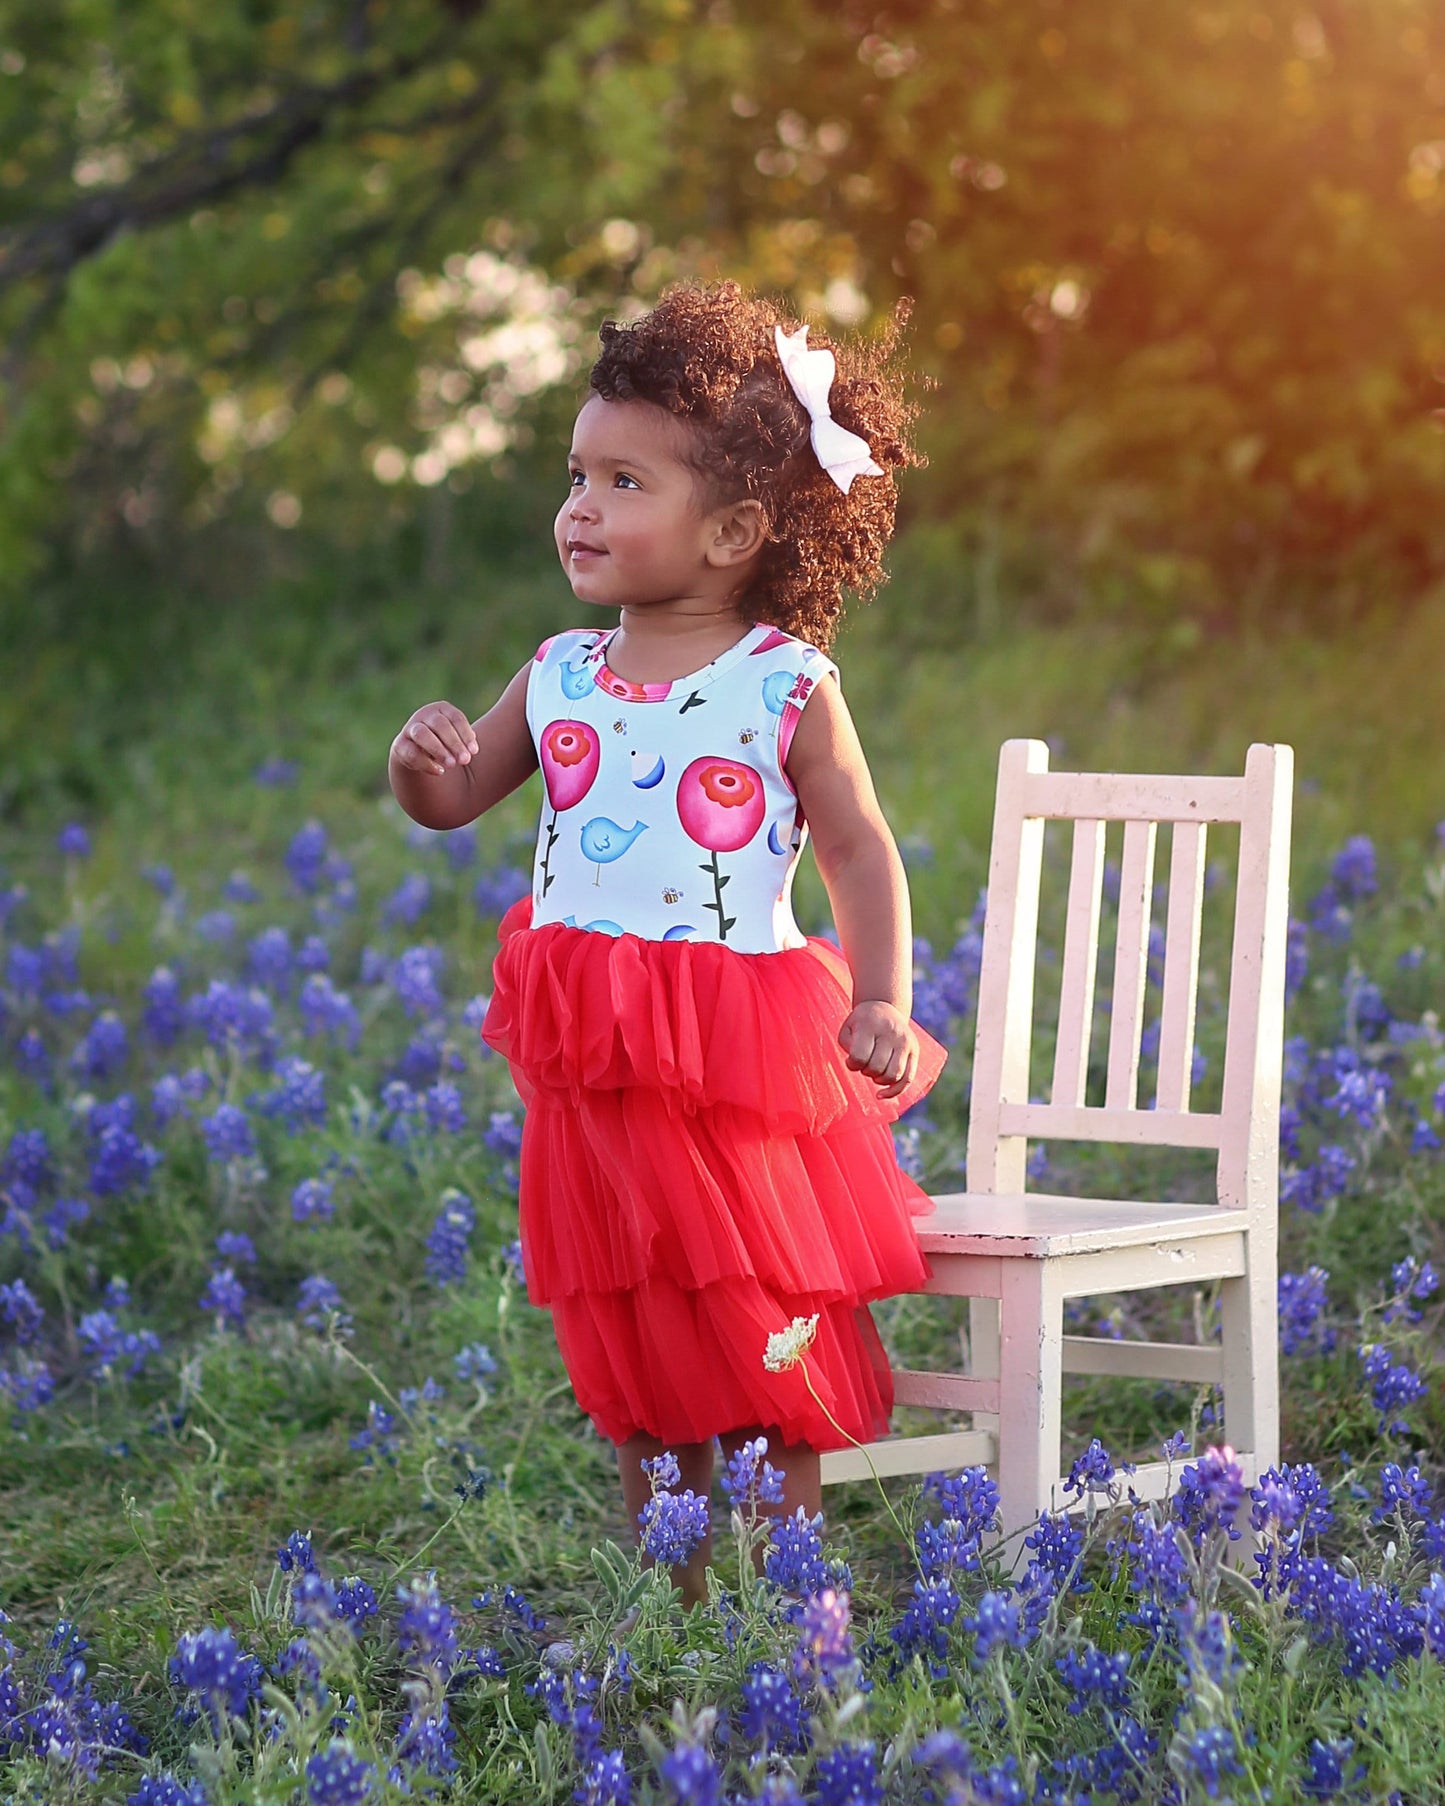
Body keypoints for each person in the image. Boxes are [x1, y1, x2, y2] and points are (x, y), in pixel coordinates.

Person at [389, 281, 946, 1607]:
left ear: (735, 529)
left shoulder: (784, 680)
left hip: (737, 1047)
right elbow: (460, 794)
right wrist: (424, 766)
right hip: (596, 1052)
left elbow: (858, 847)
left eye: (622, 480)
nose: (579, 505)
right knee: (634, 1332)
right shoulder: (563, 668)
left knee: (759, 1322)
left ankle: (795, 1604)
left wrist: (882, 997)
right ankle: (679, 1609)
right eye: (575, 474)